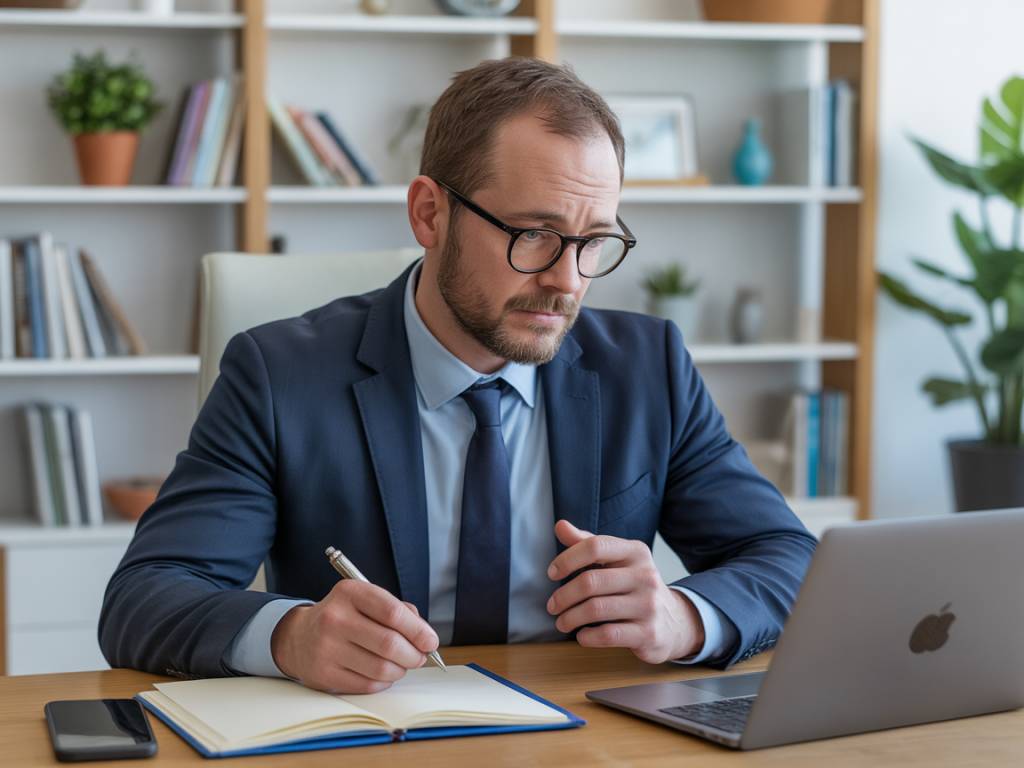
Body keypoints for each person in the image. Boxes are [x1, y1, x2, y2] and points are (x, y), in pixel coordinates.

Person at [99, 57, 816, 694]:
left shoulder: (647, 367)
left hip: (590, 735)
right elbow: (145, 598)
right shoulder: (279, 372)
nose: (566, 281)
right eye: (532, 235)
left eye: (594, 241)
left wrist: (682, 617)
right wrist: (291, 637)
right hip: (374, 738)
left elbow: (788, 557)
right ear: (429, 212)